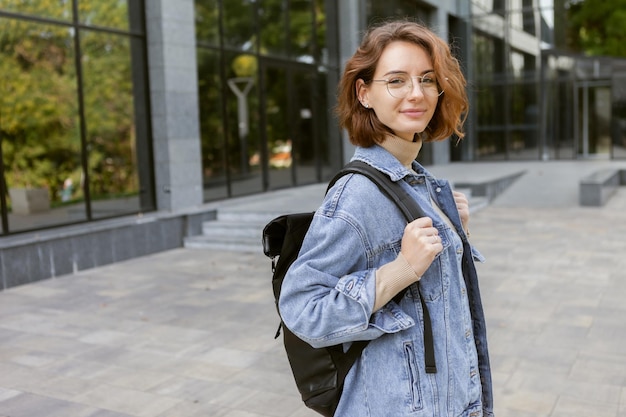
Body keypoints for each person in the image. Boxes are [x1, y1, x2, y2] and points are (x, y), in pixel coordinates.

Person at [278, 19, 494, 416]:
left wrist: (454, 232)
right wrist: (399, 271)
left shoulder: (422, 185)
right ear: (364, 93)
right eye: (396, 81)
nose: (417, 94)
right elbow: (302, 308)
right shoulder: (358, 194)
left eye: (427, 80)